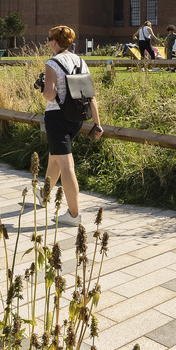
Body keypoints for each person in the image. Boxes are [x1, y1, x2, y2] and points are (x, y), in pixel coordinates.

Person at [38, 25, 104, 224]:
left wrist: (42, 87)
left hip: (56, 118)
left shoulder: (53, 63)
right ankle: (44, 195)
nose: (49, 43)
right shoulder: (81, 62)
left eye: (50, 40)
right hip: (76, 119)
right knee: (55, 159)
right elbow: (90, 96)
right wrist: (98, 125)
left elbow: (49, 94)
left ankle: (74, 214)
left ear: (55, 42)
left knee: (66, 166)